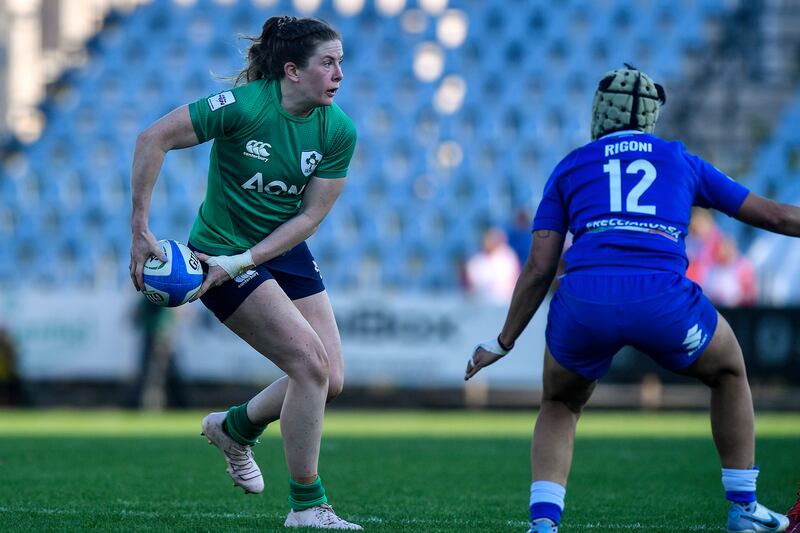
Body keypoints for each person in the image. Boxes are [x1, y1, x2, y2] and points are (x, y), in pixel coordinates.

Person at [464, 65, 793, 533]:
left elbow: (539, 268)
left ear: (599, 113)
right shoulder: (681, 160)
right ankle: (744, 508)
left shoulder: (572, 165)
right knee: (727, 369)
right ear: (652, 115)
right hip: (663, 299)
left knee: (560, 403)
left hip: (586, 303)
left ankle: (543, 526)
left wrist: (502, 341)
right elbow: (776, 217)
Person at [129, 16, 360, 530]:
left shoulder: (338, 129)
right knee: (309, 366)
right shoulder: (242, 106)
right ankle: (307, 506)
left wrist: (249, 260)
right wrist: (140, 230)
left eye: (341, 62)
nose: (340, 73)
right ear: (292, 71)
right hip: (219, 252)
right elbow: (152, 139)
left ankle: (234, 428)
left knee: (331, 379)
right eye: (328, 62)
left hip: (278, 249)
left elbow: (310, 216)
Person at [464, 227, 521, 303]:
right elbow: (471, 284)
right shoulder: (477, 260)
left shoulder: (508, 256)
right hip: (482, 302)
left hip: (505, 301)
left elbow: (515, 279)